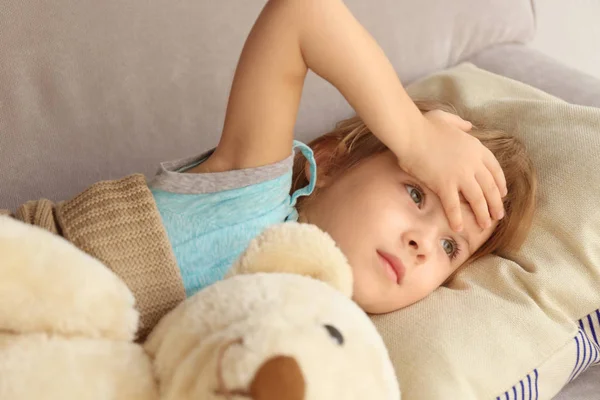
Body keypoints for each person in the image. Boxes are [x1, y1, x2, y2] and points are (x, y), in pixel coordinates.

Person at [150, 0, 537, 314]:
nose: (422, 244)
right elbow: (301, 14)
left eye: (450, 247)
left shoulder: (332, 345)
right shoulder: (249, 200)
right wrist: (418, 140)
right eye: (416, 195)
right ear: (332, 161)